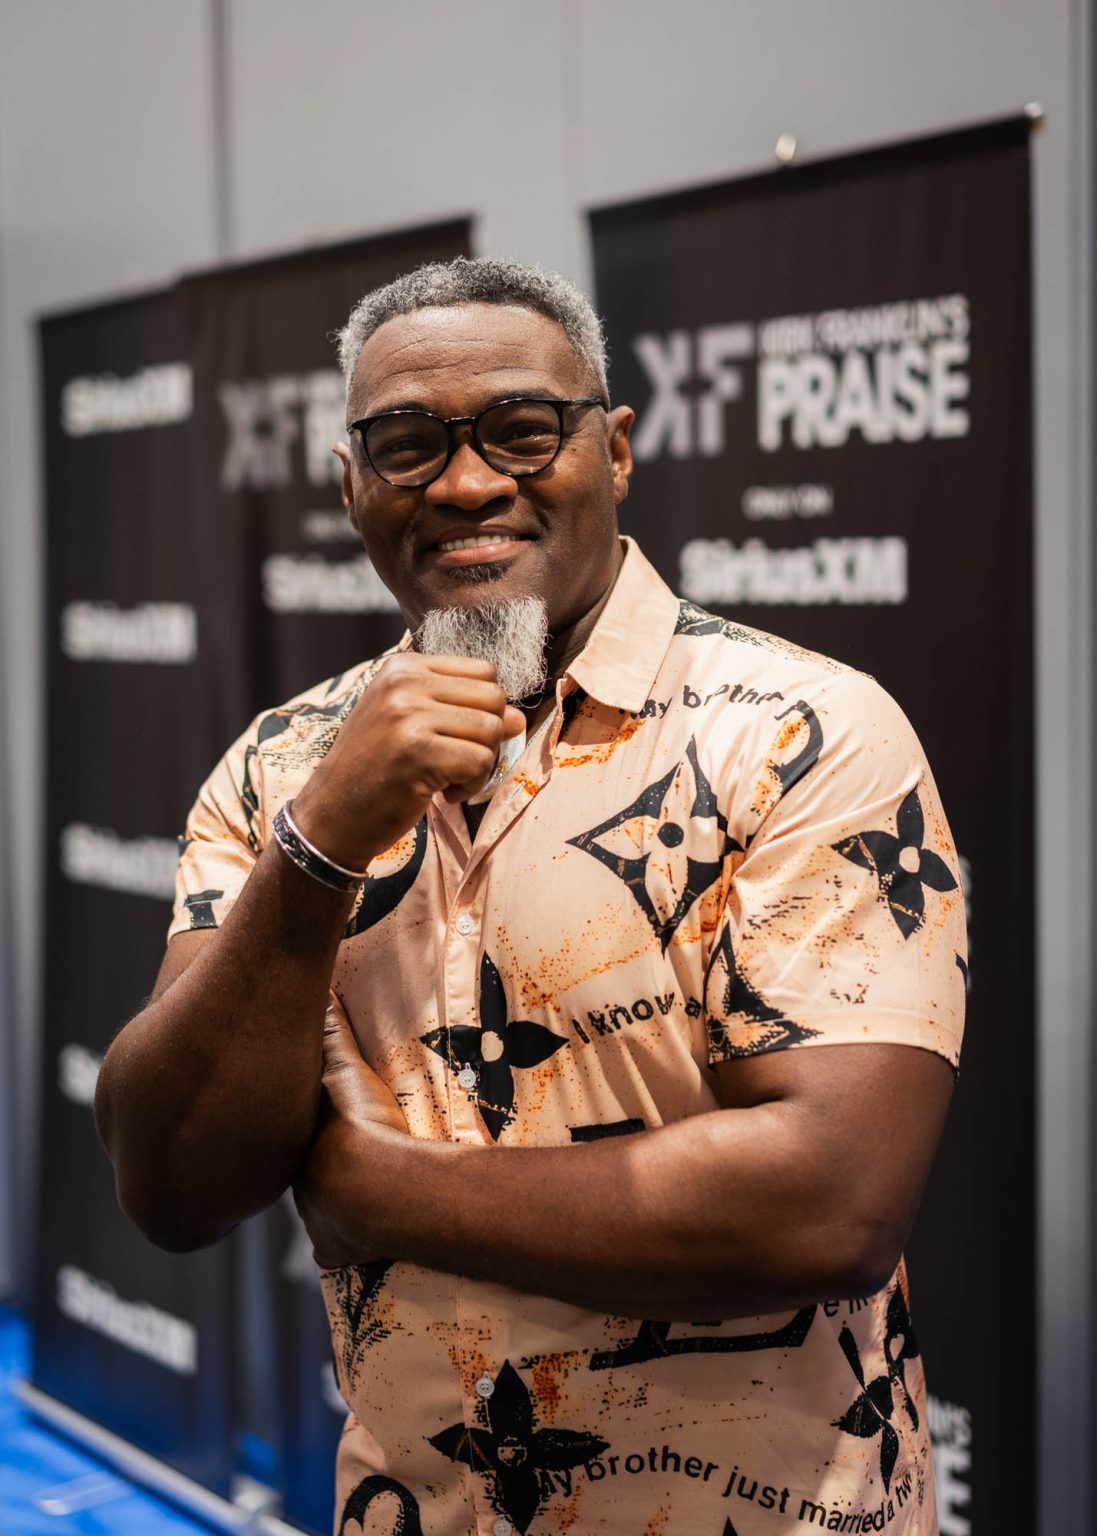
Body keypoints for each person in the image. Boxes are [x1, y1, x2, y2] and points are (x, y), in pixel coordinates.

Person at [95, 258, 966, 1536]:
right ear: (349, 485)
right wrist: (320, 847)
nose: (463, 482)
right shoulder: (287, 769)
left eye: (522, 429)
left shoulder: (797, 732)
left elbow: (828, 1199)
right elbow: (169, 1182)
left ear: (614, 450)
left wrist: (371, 1190)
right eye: (406, 443)